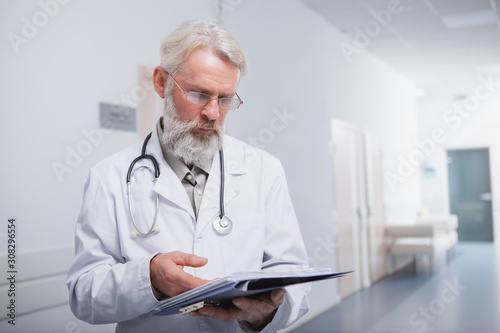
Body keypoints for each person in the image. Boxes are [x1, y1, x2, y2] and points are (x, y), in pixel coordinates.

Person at [66, 19, 310, 333]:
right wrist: (149, 278)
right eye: (199, 94)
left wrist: (261, 314)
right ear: (160, 82)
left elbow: (293, 277)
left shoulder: (264, 170)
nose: (213, 113)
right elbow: (83, 295)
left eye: (225, 99)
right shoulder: (108, 177)